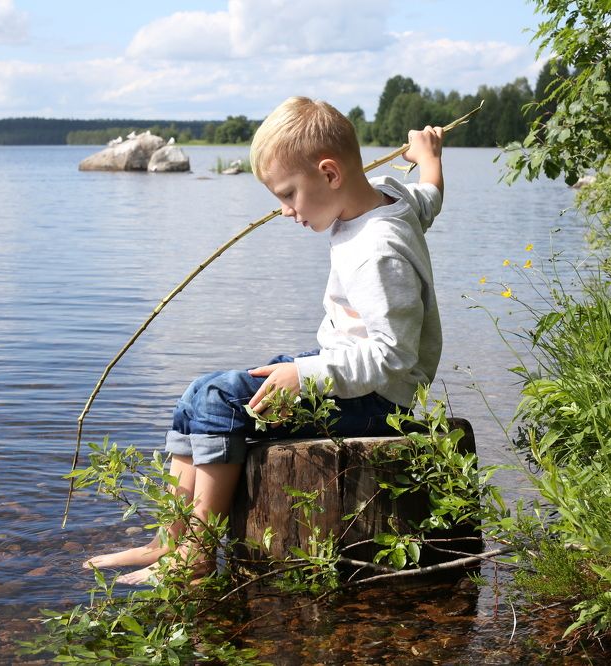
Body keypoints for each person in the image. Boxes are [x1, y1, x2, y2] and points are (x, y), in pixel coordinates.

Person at [84, 96, 445, 584]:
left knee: (219, 402)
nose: (284, 210)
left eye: (288, 194)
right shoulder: (388, 196)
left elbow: (394, 354)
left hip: (377, 399)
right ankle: (166, 539)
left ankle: (196, 553)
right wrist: (429, 158)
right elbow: (428, 199)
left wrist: (305, 375)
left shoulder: (377, 251)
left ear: (330, 173)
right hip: (344, 372)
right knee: (199, 393)